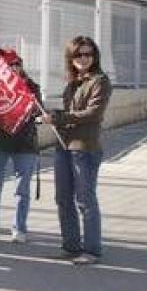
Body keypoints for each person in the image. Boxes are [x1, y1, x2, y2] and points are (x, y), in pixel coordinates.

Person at [46, 36, 112, 265]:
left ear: (94, 57)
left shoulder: (100, 81)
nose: (84, 59)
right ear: (71, 58)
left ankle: (92, 250)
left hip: (84, 148)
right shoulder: (72, 83)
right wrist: (52, 117)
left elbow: (93, 113)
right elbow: (68, 112)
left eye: (88, 54)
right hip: (63, 146)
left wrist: (60, 118)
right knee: (63, 198)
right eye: (79, 55)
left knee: (85, 200)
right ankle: (70, 246)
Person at [0, 49, 43, 243]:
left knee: (22, 188)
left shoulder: (31, 86)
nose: (14, 68)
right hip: (0, 141)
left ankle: (19, 228)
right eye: (9, 65)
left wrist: (30, 103)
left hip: (25, 143)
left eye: (17, 64)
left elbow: (38, 112)